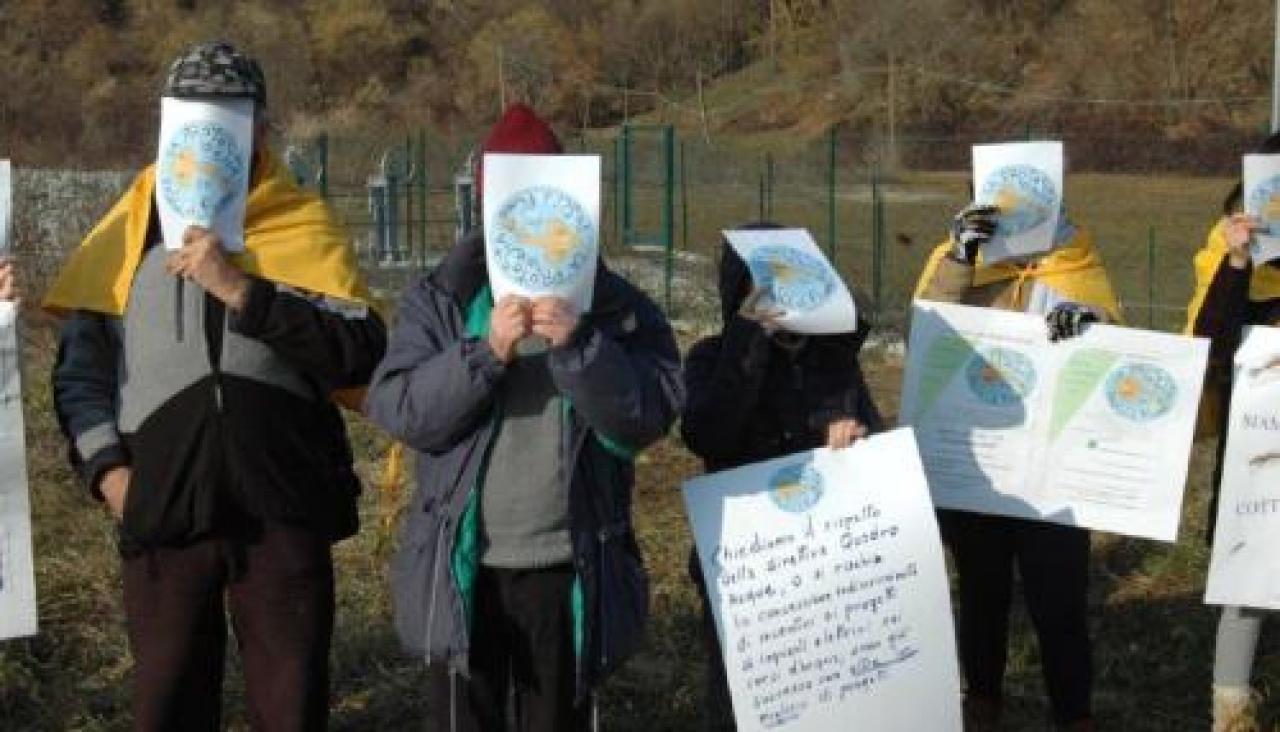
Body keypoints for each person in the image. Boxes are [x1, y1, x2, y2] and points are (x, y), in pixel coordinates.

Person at [45, 41, 385, 731]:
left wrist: (243, 290)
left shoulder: (303, 224)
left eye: (233, 115)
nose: (213, 129)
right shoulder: (122, 234)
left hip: (284, 508)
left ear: (262, 126)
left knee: (290, 707)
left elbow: (359, 352)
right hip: (162, 510)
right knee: (167, 703)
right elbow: (81, 374)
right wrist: (112, 476)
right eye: (192, 116)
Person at [363, 104, 682, 732]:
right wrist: (485, 354)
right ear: (487, 207)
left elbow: (650, 415)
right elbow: (401, 410)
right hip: (464, 568)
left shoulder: (617, 308)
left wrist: (582, 348)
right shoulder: (443, 298)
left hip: (569, 565)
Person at [913, 200, 1121, 731]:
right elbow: (929, 327)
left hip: (1055, 464)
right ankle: (982, 703)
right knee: (982, 592)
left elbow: (1119, 339)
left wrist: (1092, 325)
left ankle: (1074, 714)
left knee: (1060, 600)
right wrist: (961, 256)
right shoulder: (958, 255)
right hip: (981, 459)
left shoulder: (1075, 256)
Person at [680, 223, 883, 731]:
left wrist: (853, 440)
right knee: (738, 700)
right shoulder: (711, 358)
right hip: (746, 569)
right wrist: (750, 339)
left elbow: (877, 450)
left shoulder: (835, 362)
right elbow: (709, 434)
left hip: (825, 561)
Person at [1186, 131, 1280, 732]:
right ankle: (1232, 708)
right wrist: (1238, 261)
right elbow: (1211, 342)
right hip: (1259, 458)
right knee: (1248, 583)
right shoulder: (1227, 258)